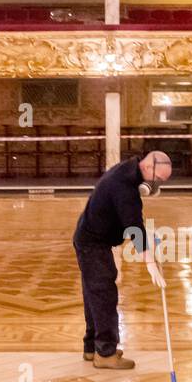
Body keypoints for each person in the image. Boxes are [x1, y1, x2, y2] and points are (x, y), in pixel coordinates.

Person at [73, 150, 173, 369]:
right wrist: (150, 263)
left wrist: (148, 238)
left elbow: (131, 220)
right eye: (158, 180)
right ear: (148, 168)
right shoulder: (124, 186)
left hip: (90, 238)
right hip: (93, 243)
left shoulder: (128, 171)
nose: (157, 186)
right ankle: (106, 354)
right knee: (103, 295)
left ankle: (92, 348)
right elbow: (134, 226)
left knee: (93, 295)